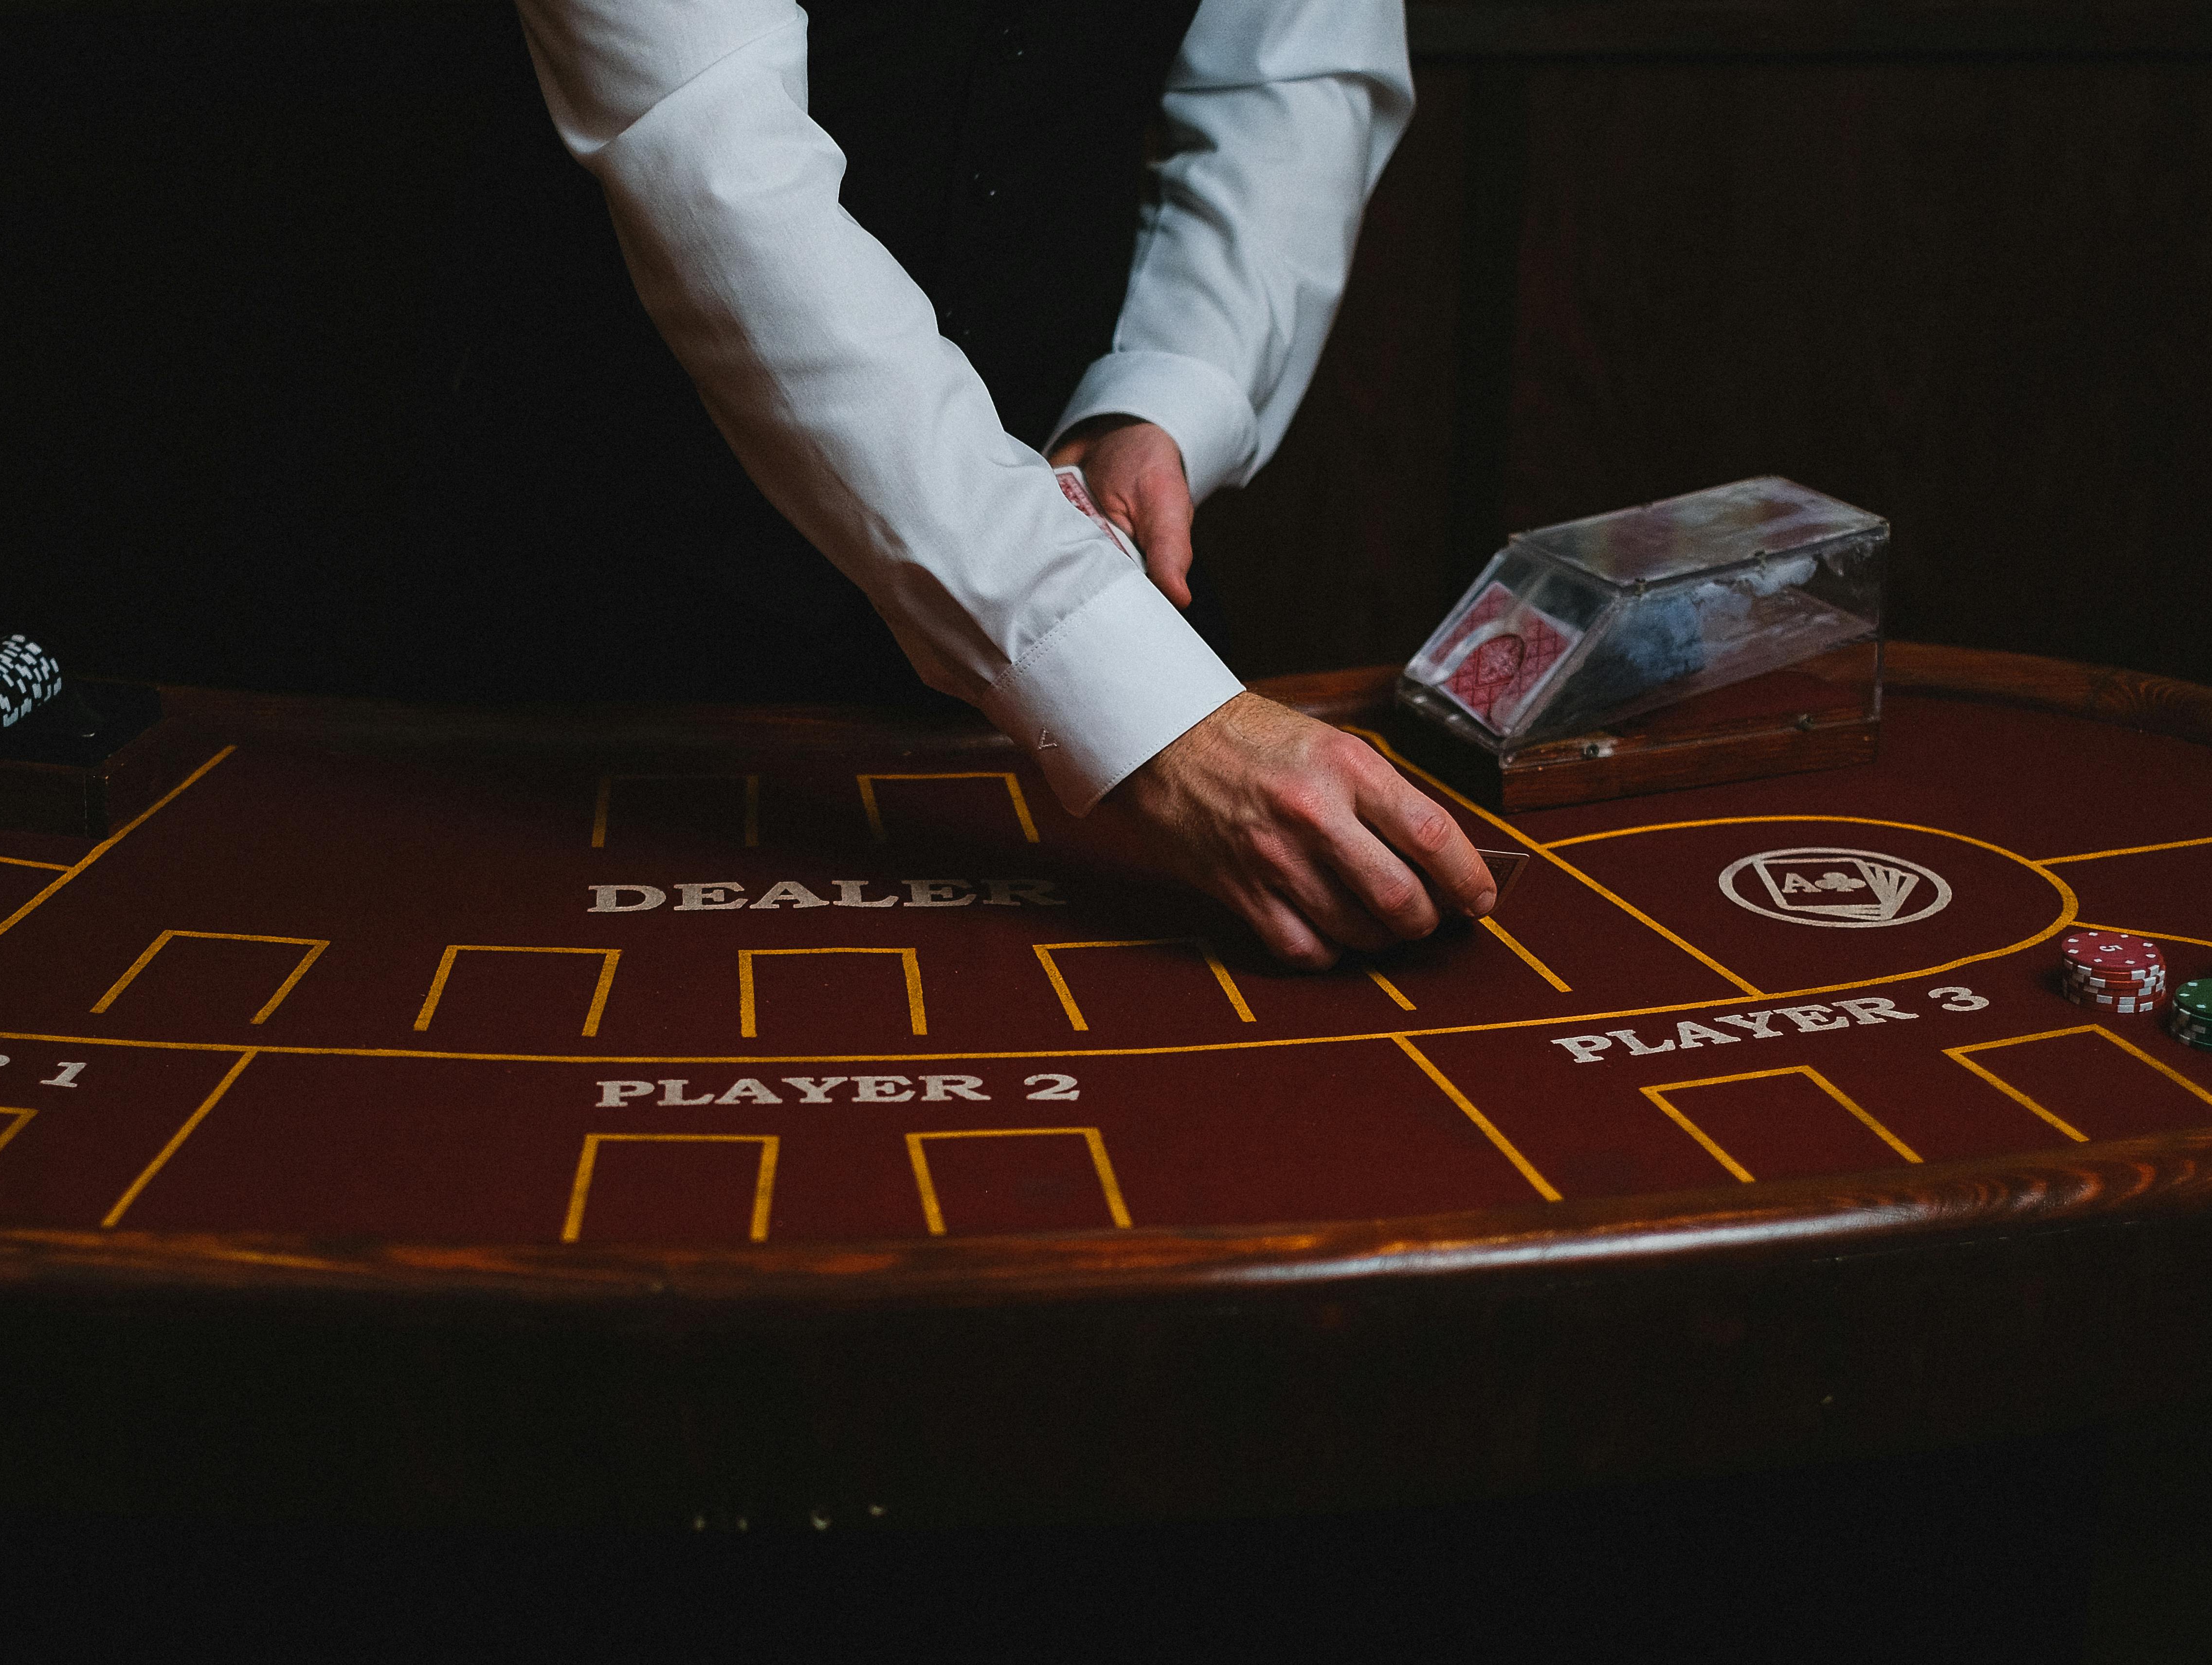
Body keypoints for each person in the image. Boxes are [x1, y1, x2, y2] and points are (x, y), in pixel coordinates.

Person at [462, 0, 1495, 966]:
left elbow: (1294, 66)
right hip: (613, 609)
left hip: (1091, 534)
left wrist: (1167, 390)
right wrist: (1145, 709)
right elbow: (703, 149)